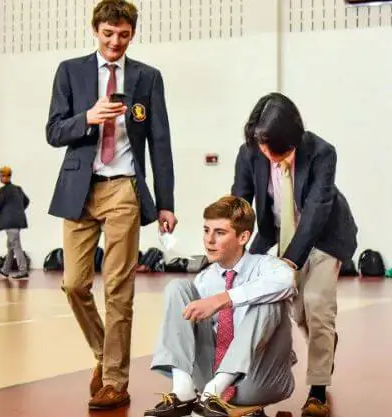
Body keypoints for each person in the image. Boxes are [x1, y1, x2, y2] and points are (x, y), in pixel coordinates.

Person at [45, 0, 177, 410]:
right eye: (108, 34)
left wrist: (167, 203)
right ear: (95, 31)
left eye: (123, 34)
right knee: (74, 284)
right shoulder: (70, 71)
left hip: (124, 188)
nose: (115, 41)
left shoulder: (147, 77)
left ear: (131, 34)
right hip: (79, 189)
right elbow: (53, 131)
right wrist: (89, 115)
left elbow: (160, 142)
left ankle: (116, 380)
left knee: (119, 288)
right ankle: (105, 354)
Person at [230, 92, 357, 417]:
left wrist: (289, 261)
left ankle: (317, 389)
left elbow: (316, 210)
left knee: (316, 304)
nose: (274, 158)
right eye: (266, 150)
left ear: (295, 139)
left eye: (283, 152)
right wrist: (232, 250)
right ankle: (324, 343)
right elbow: (239, 205)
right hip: (279, 236)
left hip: (325, 237)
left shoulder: (322, 153)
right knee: (298, 313)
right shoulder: (249, 153)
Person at [145, 195, 296, 417]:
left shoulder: (266, 266)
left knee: (268, 301)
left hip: (259, 379)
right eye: (206, 230)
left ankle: (216, 390)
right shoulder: (204, 280)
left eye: (220, 233)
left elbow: (287, 281)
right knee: (177, 287)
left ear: (243, 236)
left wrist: (223, 299)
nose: (209, 240)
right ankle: (183, 391)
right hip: (208, 379)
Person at [0, 166, 30, 279]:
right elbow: (26, 201)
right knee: (11, 246)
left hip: (10, 222)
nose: (0, 178)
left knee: (16, 246)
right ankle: (5, 270)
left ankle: (23, 270)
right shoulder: (18, 189)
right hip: (18, 221)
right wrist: (18, 211)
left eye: (1, 176)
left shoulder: (4, 190)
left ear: (5, 176)